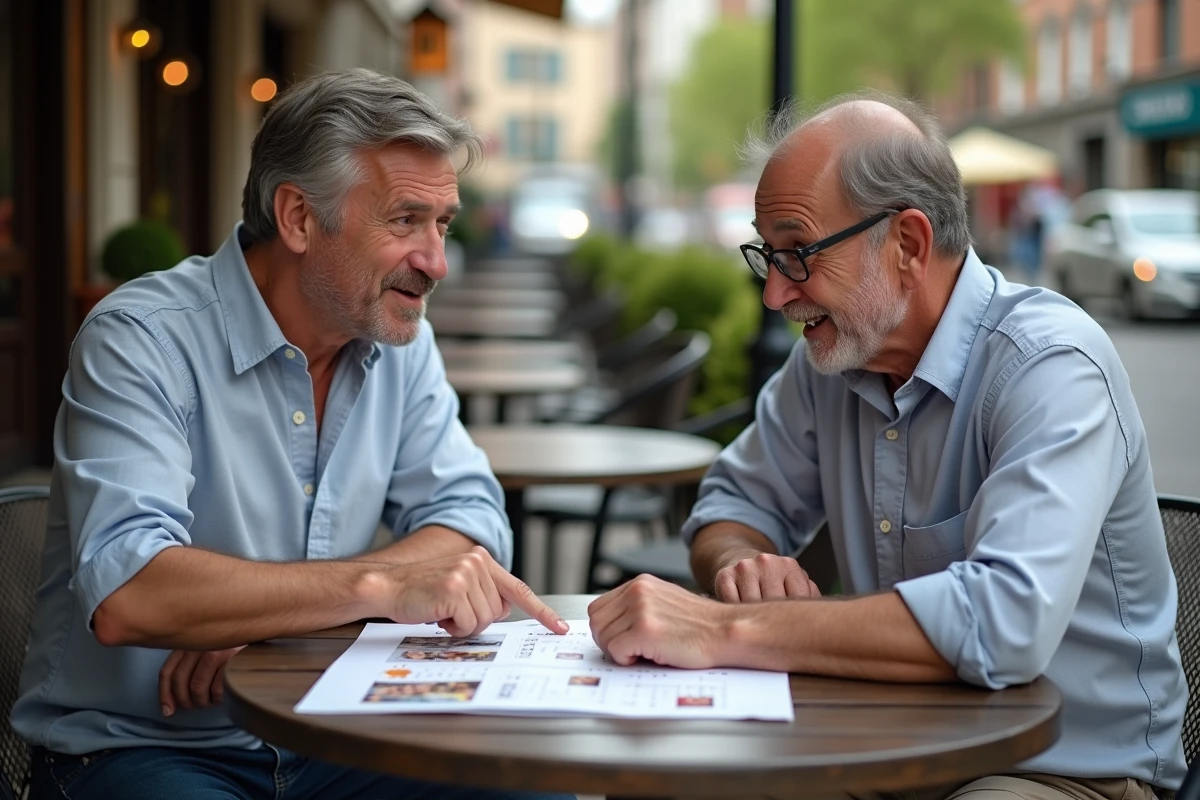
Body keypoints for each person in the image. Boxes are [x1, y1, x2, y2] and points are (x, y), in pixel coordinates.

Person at [589, 92, 1187, 800]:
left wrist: (729, 627)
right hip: (882, 744)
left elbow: (1004, 623)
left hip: (1063, 768)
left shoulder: (1050, 365)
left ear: (907, 244)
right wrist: (743, 561)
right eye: (766, 255)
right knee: (661, 783)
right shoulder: (836, 358)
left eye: (798, 253)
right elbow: (731, 500)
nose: (774, 295)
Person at [11, 69, 572, 800]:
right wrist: (376, 585)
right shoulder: (140, 339)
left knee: (535, 788)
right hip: (143, 747)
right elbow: (131, 592)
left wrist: (277, 627)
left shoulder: (398, 337)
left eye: (443, 224)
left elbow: (471, 524)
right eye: (405, 220)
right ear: (299, 218)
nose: (435, 262)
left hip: (334, 724)